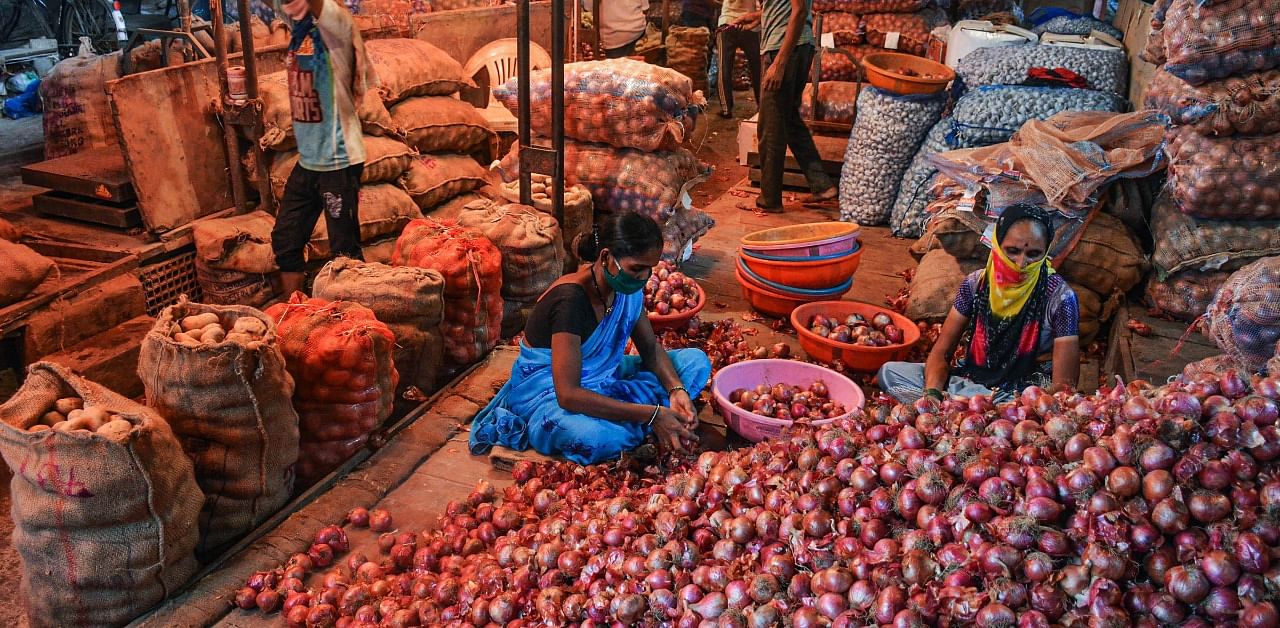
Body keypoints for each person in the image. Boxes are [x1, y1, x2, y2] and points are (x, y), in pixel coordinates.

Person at [469, 213, 713, 465]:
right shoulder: (571, 301)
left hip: (605, 375)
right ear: (606, 257)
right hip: (550, 395)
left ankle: (645, 420)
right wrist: (650, 415)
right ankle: (647, 422)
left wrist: (677, 390)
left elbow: (650, 348)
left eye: (648, 268)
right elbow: (569, 395)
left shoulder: (626, 290)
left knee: (696, 363)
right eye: (636, 269)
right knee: (594, 438)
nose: (643, 278)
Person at [879, 205, 1081, 403]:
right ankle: (965, 406)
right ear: (997, 245)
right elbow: (942, 352)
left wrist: (1025, 407)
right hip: (971, 380)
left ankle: (969, 409)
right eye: (1012, 251)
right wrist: (932, 395)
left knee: (1026, 408)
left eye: (1033, 254)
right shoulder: (976, 284)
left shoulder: (1060, 298)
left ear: (1045, 252)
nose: (1021, 264)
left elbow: (1064, 387)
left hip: (1021, 397)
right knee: (890, 372)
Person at [271, 0, 371, 296]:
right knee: (286, 238)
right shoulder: (299, 30)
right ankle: (296, 313)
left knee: (345, 254)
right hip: (310, 160)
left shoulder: (337, 26)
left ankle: (352, 323)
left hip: (339, 160)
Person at [753, 0, 835, 213]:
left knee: (770, 128)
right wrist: (756, 17)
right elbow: (785, 9)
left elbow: (799, 12)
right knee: (789, 120)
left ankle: (769, 200)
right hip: (792, 47)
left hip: (785, 49)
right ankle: (822, 184)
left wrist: (779, 63)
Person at [716, 0, 761, 119]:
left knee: (724, 67)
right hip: (751, 24)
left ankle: (726, 109)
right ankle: (762, 107)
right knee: (758, 69)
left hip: (728, 23)